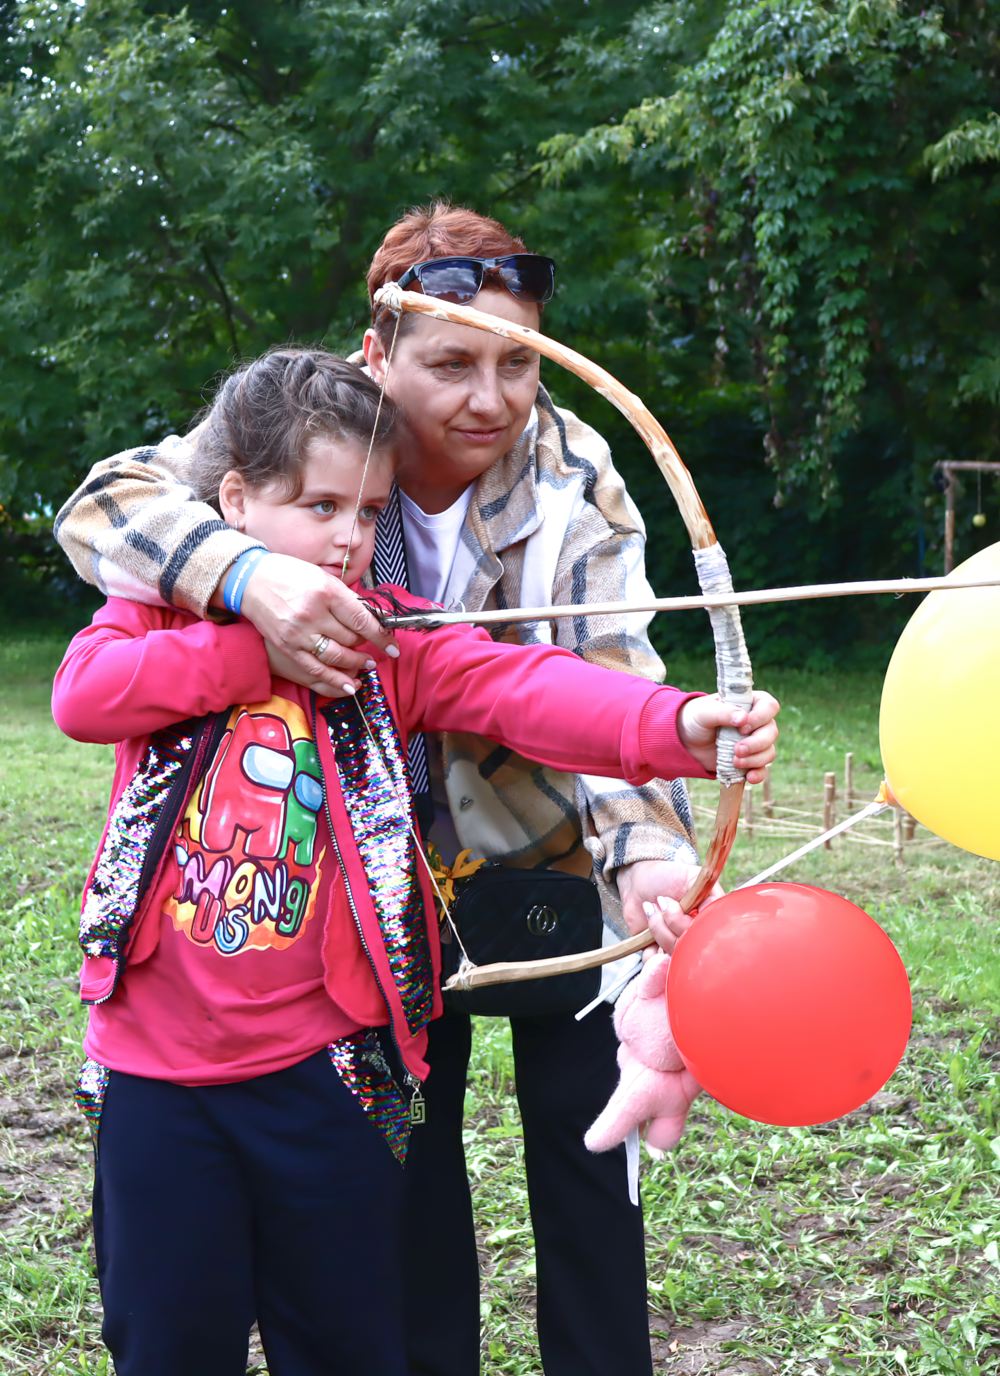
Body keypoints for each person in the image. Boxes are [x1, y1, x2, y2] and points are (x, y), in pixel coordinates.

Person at [53, 203, 768, 1375]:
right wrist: (252, 612)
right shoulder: (286, 445)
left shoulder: (467, 574)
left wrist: (680, 730)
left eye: (517, 362)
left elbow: (543, 684)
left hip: (451, 935)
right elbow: (94, 631)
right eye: (452, 361)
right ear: (379, 354)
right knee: (263, 1281)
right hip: (236, 1014)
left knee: (494, 1232)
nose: (489, 396)